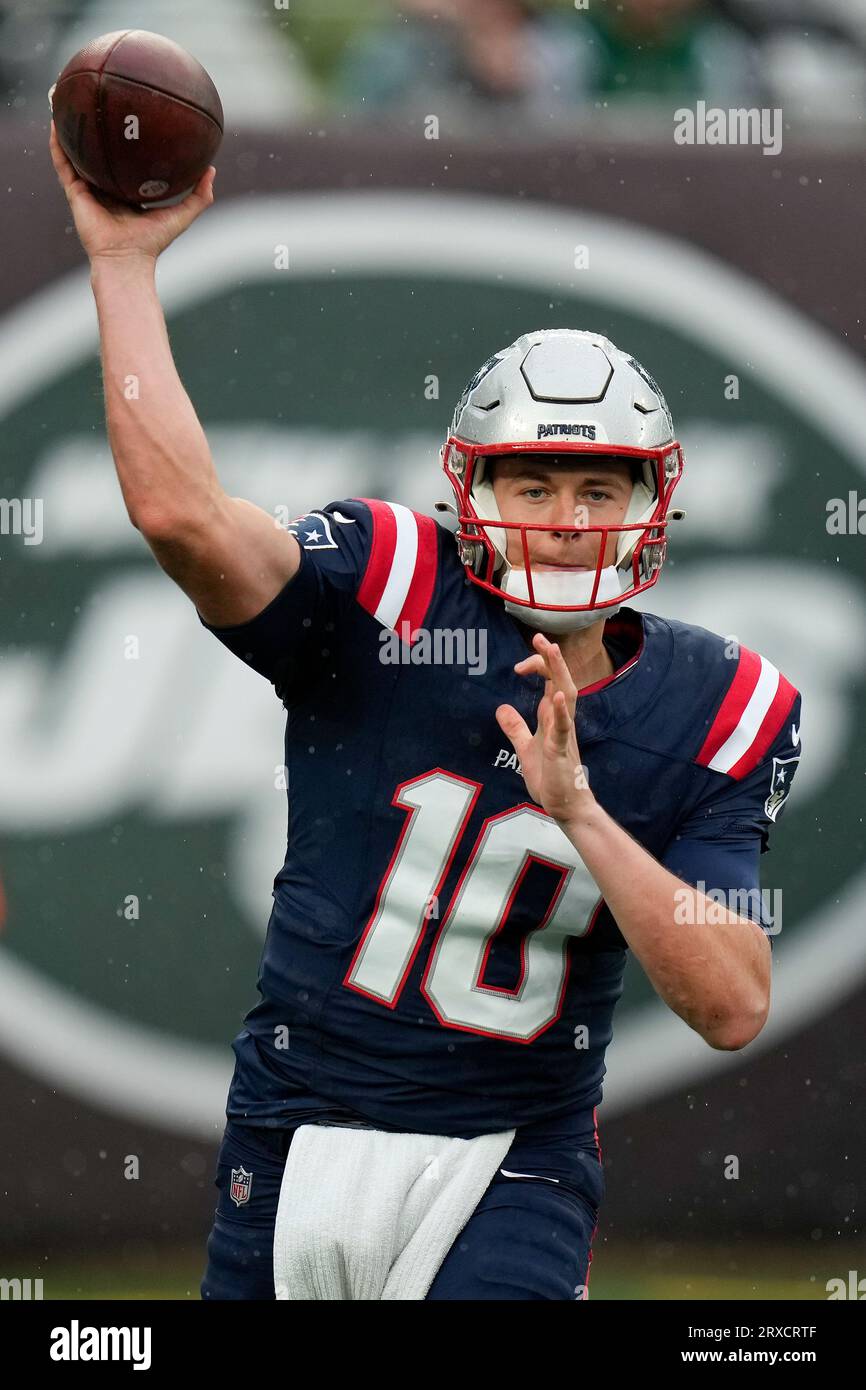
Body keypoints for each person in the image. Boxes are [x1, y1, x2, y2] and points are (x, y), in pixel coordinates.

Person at [50, 123, 802, 1300]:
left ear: (650, 503)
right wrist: (122, 265)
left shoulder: (724, 705)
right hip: (292, 1129)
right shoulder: (388, 582)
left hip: (513, 1157)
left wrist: (586, 816)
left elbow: (731, 1002)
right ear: (472, 491)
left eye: (596, 485)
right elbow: (183, 521)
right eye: (533, 483)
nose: (564, 516)